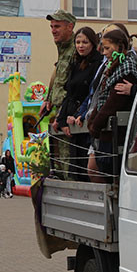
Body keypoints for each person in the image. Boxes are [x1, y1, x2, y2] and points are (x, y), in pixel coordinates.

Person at [87, 27, 137, 182]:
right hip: (107, 134)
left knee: (112, 174)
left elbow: (114, 102)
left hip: (116, 135)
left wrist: (96, 124)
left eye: (107, 48)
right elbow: (102, 97)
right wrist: (93, 119)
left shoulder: (127, 68)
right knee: (103, 170)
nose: (104, 53)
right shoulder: (113, 66)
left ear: (119, 47)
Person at [54, 26, 103, 182]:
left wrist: (78, 115)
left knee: (84, 166)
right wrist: (61, 119)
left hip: (84, 119)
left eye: (85, 42)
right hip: (71, 118)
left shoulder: (98, 63)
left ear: (93, 44)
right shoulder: (75, 62)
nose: (81, 46)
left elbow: (91, 94)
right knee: (74, 168)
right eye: (78, 42)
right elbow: (69, 93)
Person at [39, 10, 77, 178]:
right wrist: (48, 100)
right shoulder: (63, 49)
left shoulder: (75, 49)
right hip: (59, 112)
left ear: (70, 27)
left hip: (68, 114)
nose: (53, 30)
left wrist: (62, 112)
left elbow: (73, 86)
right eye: (52, 27)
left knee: (68, 164)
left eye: (57, 26)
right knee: (59, 163)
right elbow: (58, 78)